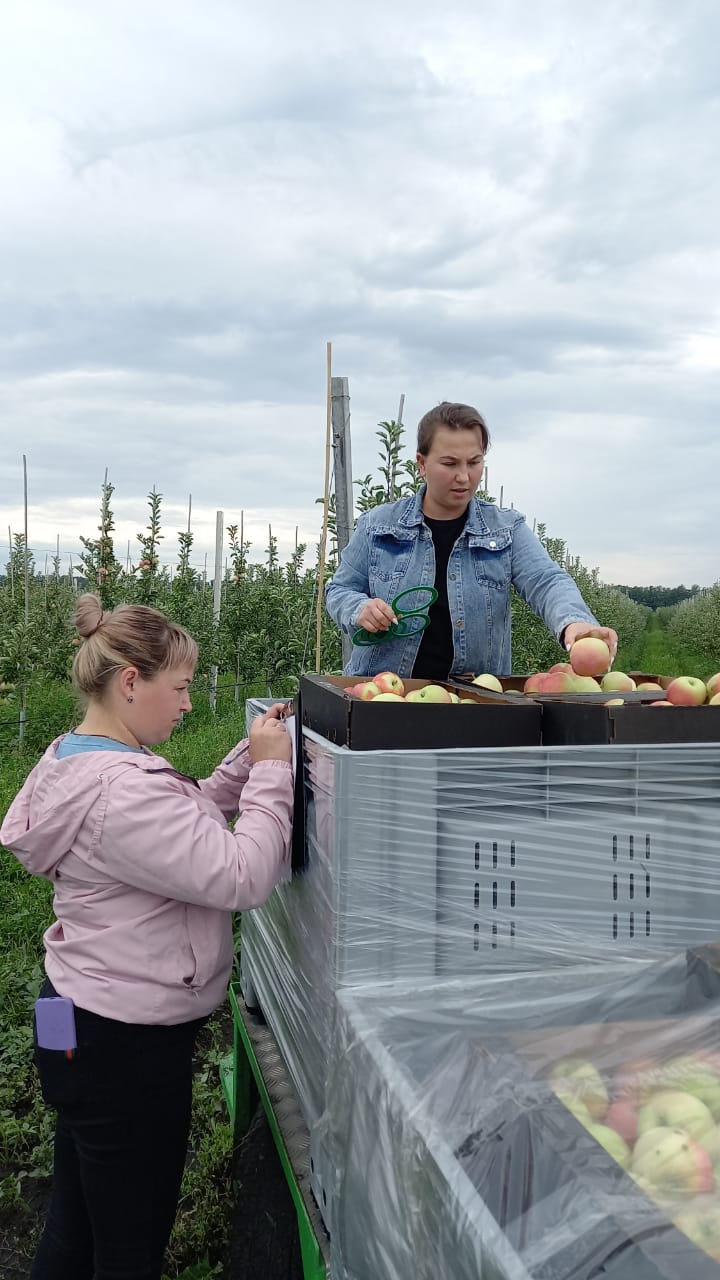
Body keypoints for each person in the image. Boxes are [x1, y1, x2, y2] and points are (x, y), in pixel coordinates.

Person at [0, 594, 293, 1280]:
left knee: (76, 1226)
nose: (189, 704)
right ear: (132, 681)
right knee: (129, 1247)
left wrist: (243, 766)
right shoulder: (124, 792)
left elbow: (174, 827)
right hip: (124, 1049)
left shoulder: (80, 760)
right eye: (182, 687)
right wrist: (275, 774)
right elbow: (241, 873)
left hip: (76, 1020)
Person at [325, 401, 618, 680]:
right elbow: (339, 590)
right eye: (450, 463)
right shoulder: (377, 526)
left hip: (474, 702)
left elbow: (546, 580)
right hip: (382, 700)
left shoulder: (505, 530)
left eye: (474, 462)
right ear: (422, 464)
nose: (464, 477)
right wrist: (358, 608)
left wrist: (574, 623)